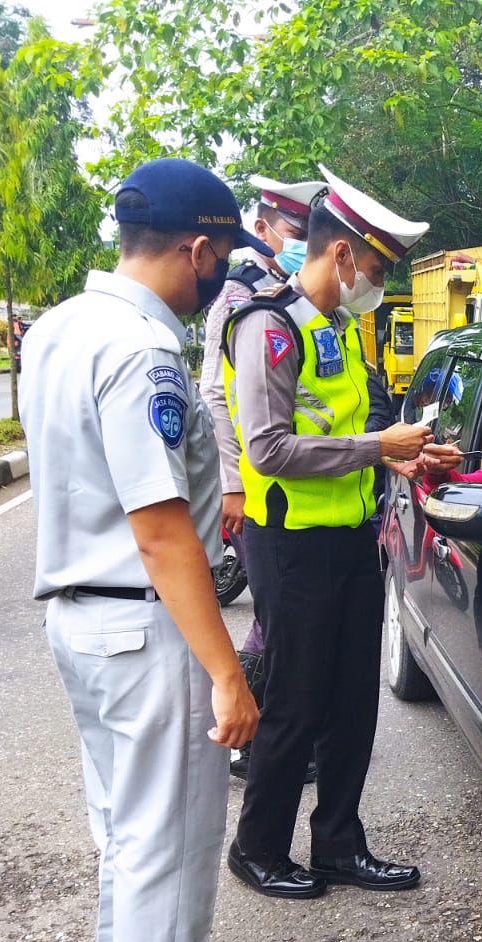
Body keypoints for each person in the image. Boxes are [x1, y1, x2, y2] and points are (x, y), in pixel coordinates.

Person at [20, 158, 273, 942]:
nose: (223, 277)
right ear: (197, 249)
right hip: (143, 618)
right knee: (168, 831)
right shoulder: (142, 351)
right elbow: (163, 530)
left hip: (86, 623)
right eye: (222, 259)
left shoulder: (61, 327)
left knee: (129, 829)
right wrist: (227, 671)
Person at [223, 164, 431, 900]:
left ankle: (339, 842)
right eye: (373, 267)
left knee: (352, 703)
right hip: (289, 546)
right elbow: (270, 448)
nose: (374, 282)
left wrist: (404, 454)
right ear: (341, 255)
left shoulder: (339, 328)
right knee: (295, 701)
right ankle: (259, 847)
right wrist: (381, 449)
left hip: (350, 537)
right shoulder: (266, 327)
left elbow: (361, 426)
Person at [200, 174, 325, 782]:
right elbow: (215, 393)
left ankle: (267, 732)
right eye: (297, 232)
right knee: (272, 621)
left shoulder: (286, 290)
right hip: (258, 479)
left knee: (272, 620)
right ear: (269, 224)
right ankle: (251, 740)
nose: (303, 243)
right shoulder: (239, 291)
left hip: (293, 483)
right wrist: (233, 483)